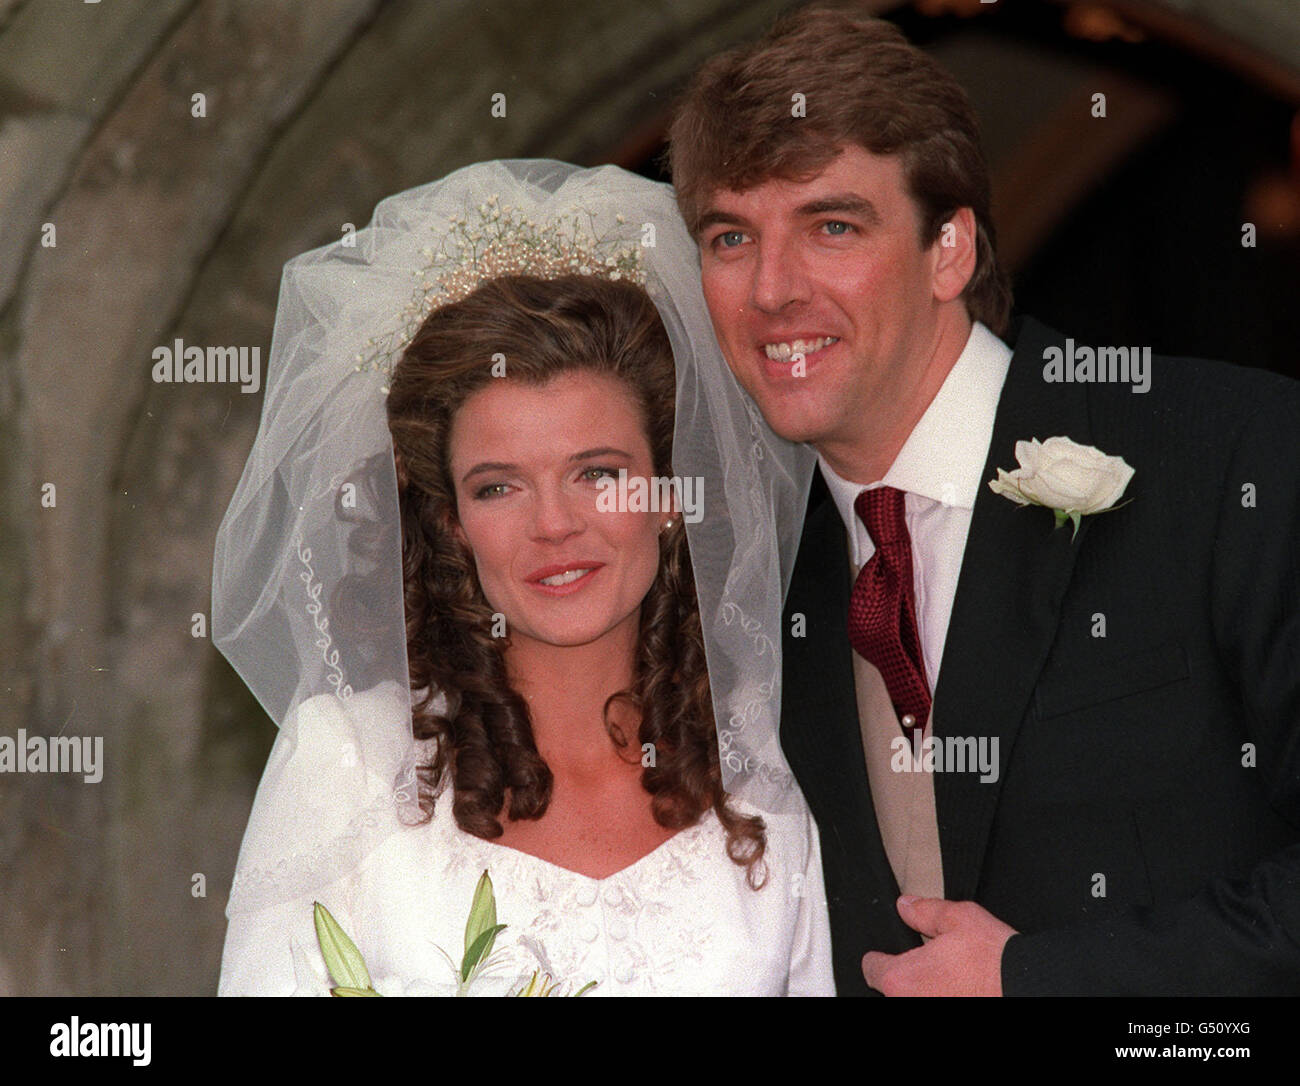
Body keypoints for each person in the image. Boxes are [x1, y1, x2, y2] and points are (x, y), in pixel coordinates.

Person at [666, 6, 1300, 995]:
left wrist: (1039, 978)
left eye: (831, 226)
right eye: (729, 236)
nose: (772, 289)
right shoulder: (748, 577)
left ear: (949, 250)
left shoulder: (1230, 456)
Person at [213, 160, 833, 996]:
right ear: (451, 522)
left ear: (669, 497)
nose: (553, 524)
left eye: (598, 472)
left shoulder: (761, 780)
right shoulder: (349, 765)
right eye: (498, 486)